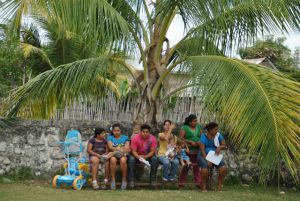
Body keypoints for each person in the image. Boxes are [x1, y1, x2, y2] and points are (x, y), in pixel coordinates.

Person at [198, 122, 227, 192]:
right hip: (203, 155)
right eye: (215, 129)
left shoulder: (218, 136)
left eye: (217, 129)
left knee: (223, 168)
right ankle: (203, 186)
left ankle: (219, 186)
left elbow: (225, 146)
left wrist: (220, 147)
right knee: (205, 168)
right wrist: (207, 160)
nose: (217, 131)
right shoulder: (203, 137)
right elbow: (202, 150)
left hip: (214, 156)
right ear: (210, 130)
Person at [179, 114, 201, 188]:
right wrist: (190, 142)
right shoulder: (184, 128)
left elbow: (201, 137)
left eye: (196, 121)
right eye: (194, 121)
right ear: (190, 122)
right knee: (186, 166)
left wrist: (199, 142)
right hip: (188, 151)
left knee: (197, 167)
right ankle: (181, 183)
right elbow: (180, 138)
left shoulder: (198, 128)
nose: (196, 122)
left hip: (197, 150)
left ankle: (198, 183)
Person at [107, 123, 130, 190]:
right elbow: (110, 147)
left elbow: (127, 148)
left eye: (118, 130)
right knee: (112, 160)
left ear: (120, 131)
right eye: (115, 131)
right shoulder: (110, 137)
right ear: (112, 131)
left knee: (123, 160)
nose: (116, 132)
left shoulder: (125, 137)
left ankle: (124, 179)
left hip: (122, 154)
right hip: (114, 155)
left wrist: (117, 149)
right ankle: (113, 179)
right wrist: (120, 148)